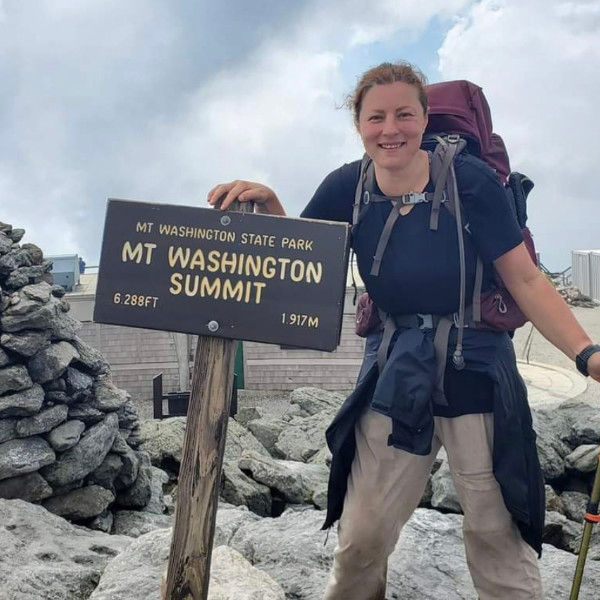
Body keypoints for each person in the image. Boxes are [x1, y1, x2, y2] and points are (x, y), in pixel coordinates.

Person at [208, 62, 600, 600]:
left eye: (403, 115)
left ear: (423, 119)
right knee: (362, 532)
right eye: (376, 117)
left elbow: (527, 279)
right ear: (358, 123)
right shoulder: (347, 184)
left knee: (494, 529)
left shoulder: (471, 182)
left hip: (476, 368)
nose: (390, 129)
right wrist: (270, 205)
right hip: (396, 370)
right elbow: (304, 261)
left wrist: (586, 353)